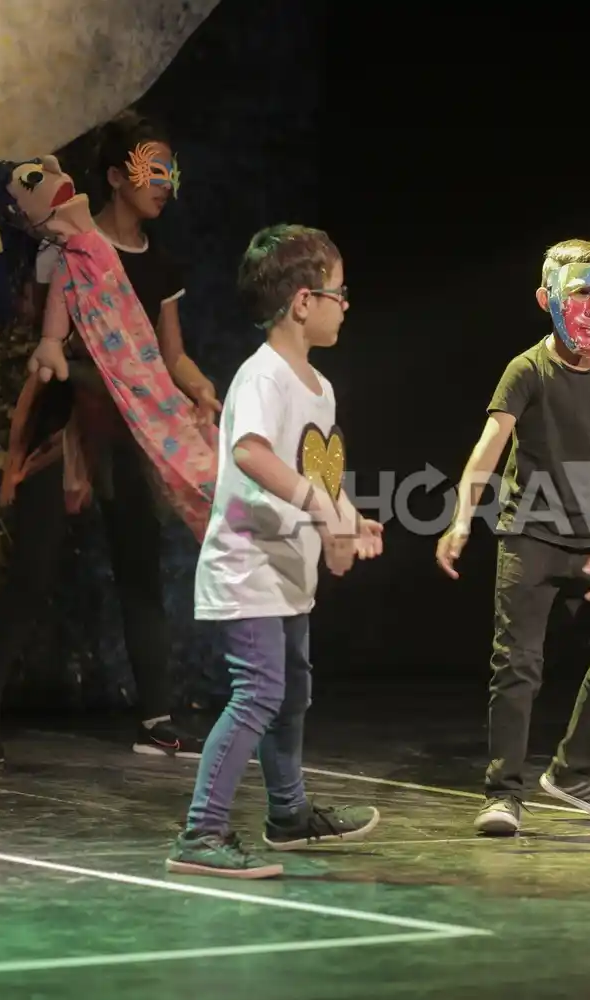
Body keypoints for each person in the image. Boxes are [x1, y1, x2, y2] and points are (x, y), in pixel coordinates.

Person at [0, 111, 219, 766]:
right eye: (151, 171)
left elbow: (171, 354)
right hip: (68, 415)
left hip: (128, 426)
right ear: (113, 176)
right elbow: (49, 324)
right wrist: (54, 348)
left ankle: (156, 715)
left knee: (140, 561)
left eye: (170, 172)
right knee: (35, 565)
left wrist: (201, 388)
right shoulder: (69, 244)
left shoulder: (161, 265)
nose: (165, 184)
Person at [168, 224, 382, 878]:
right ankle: (201, 832)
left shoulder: (319, 388)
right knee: (259, 692)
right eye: (339, 293)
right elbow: (251, 453)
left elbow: (319, 473)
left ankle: (287, 814)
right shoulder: (261, 376)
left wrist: (347, 519)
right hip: (247, 566)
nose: (347, 305)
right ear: (302, 302)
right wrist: (320, 510)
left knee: (292, 694)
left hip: (288, 571)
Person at [435, 239, 590, 836]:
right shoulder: (527, 369)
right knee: (518, 665)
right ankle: (504, 793)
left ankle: (576, 770)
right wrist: (459, 519)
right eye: (582, 293)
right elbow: (489, 448)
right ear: (547, 299)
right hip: (530, 535)